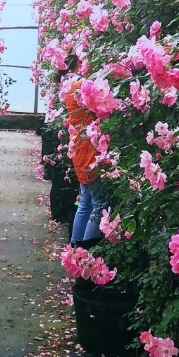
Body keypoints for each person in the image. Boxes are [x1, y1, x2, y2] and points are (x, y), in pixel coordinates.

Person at [63, 74, 102, 243]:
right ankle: (87, 250)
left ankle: (75, 247)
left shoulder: (70, 87)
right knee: (98, 204)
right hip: (90, 151)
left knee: (86, 202)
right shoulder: (84, 87)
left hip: (79, 148)